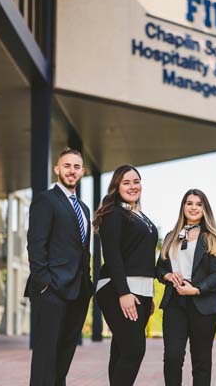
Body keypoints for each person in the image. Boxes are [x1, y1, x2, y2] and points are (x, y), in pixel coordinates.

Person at [24, 147, 93, 386]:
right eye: (67, 166)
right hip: (52, 290)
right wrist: (44, 284)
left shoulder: (83, 208)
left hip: (78, 291)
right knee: (46, 355)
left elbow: (84, 251)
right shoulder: (46, 200)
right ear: (57, 169)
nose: (71, 171)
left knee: (64, 354)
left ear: (82, 171)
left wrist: (88, 283)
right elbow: (36, 245)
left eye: (76, 167)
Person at [93, 164, 158, 386]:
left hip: (140, 292)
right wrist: (124, 293)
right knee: (134, 349)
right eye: (126, 182)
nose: (133, 186)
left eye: (136, 181)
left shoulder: (139, 214)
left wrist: (149, 295)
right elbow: (112, 255)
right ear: (116, 187)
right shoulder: (114, 213)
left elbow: (144, 257)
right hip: (116, 288)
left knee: (121, 349)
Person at [156, 189, 216, 386]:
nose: (193, 207)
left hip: (203, 303)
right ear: (183, 207)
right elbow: (160, 267)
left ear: (205, 209)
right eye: (189, 203)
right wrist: (167, 275)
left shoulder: (213, 237)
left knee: (201, 361)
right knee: (172, 357)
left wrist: (196, 289)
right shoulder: (172, 236)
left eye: (198, 204)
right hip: (174, 303)